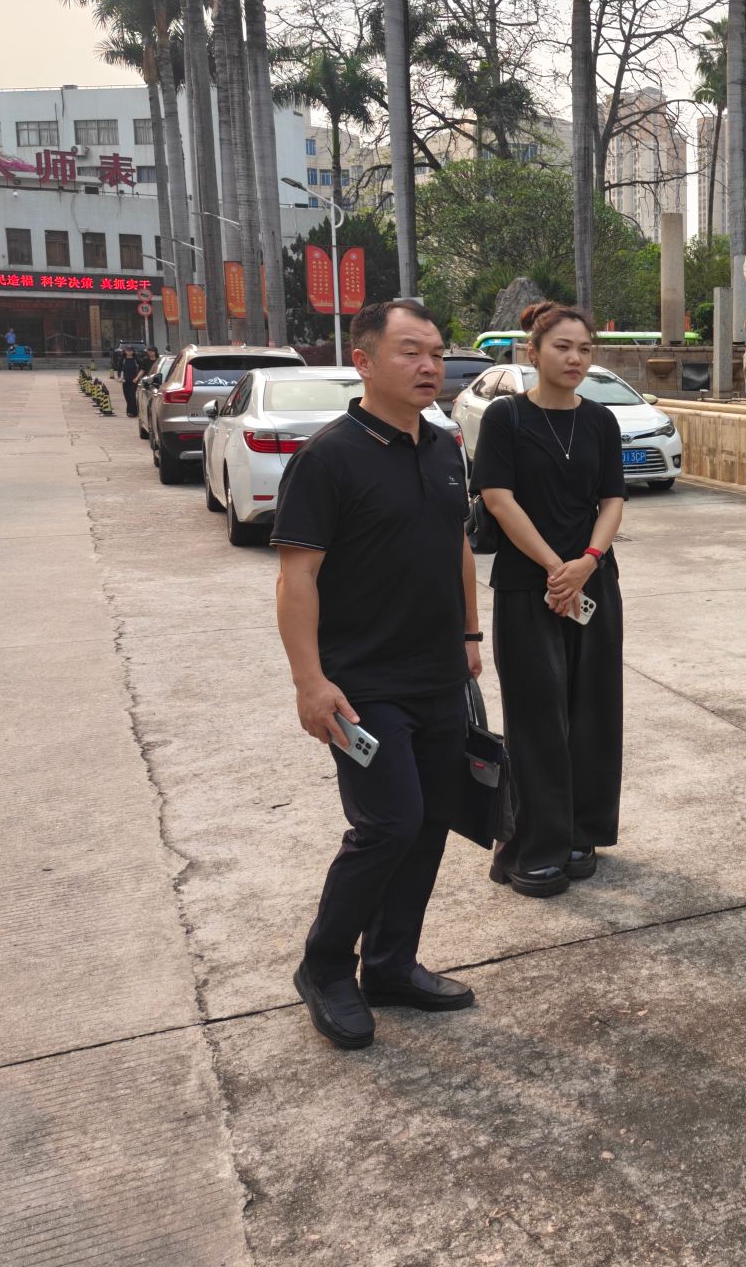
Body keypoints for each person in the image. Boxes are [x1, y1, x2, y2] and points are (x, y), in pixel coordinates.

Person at [272, 299, 481, 1050]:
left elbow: (457, 545)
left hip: (439, 675)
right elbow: (297, 579)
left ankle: (391, 965)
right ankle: (326, 966)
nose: (430, 366)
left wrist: (469, 634)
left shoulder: (445, 446)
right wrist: (309, 682)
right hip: (363, 685)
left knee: (429, 822)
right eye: (410, 352)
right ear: (363, 361)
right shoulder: (328, 457)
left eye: (437, 352)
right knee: (387, 825)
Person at [472, 301, 626, 898]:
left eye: (585, 348)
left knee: (593, 713)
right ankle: (534, 845)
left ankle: (581, 833)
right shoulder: (506, 417)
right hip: (526, 585)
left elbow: (612, 500)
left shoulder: (601, 421)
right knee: (537, 719)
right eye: (562, 346)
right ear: (533, 352)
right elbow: (498, 498)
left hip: (593, 582)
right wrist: (554, 568)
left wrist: (586, 562)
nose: (575, 358)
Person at [118, 348, 141, 417]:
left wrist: (137, 378)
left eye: (131, 351)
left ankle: (134, 412)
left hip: (134, 380)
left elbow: (141, 369)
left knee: (132, 396)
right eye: (127, 351)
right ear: (125, 352)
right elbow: (119, 369)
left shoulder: (136, 360)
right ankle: (129, 411)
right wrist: (120, 378)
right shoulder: (123, 360)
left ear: (133, 352)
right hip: (125, 381)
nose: (129, 352)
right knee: (127, 396)